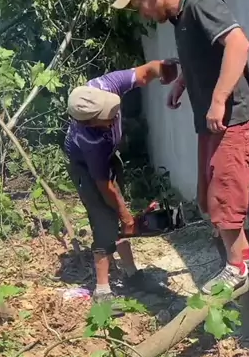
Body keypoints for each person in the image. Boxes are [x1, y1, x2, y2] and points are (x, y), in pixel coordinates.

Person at [111, 0, 249, 295]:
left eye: (140, 5)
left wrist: (219, 99)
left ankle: (237, 268)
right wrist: (182, 83)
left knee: (224, 196)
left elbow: (238, 44)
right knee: (210, 196)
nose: (143, 14)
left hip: (232, 121)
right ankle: (245, 257)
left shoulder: (200, 3)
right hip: (213, 125)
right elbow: (205, 55)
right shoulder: (181, 16)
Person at [64, 60, 177, 305]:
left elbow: (145, 72)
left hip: (109, 157)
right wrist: (126, 218)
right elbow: (105, 186)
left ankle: (132, 275)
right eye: (108, 116)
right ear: (90, 123)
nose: (115, 116)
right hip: (87, 170)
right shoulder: (91, 140)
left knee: (120, 213)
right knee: (105, 221)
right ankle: (102, 291)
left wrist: (165, 70)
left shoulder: (104, 86)